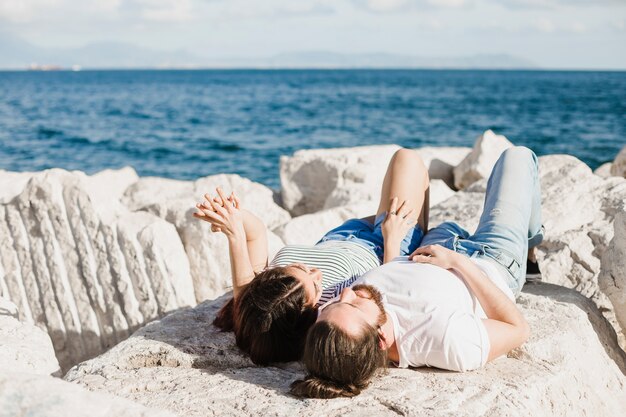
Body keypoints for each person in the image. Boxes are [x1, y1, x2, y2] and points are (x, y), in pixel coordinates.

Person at [291, 146, 544, 399]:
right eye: (354, 306)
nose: (346, 292)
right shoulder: (445, 341)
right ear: (381, 340)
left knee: (406, 161)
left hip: (434, 245)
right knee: (517, 157)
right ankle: (530, 252)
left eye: (335, 304)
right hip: (490, 261)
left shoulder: (352, 317)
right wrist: (458, 262)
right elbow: (517, 329)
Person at [193, 149, 430, 365]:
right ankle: (422, 233)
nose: (316, 272)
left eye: (300, 267)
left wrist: (232, 219)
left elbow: (253, 238)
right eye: (316, 285)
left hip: (346, 233)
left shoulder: (272, 300)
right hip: (386, 243)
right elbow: (387, 300)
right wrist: (392, 241)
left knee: (408, 170)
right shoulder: (330, 313)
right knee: (407, 160)